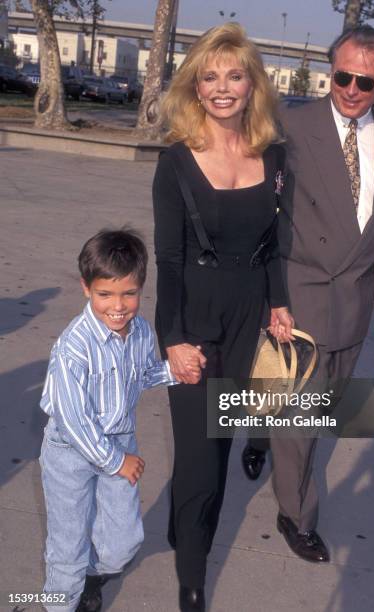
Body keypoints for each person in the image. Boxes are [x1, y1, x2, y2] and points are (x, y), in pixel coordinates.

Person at [242, 25, 374, 563]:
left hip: (358, 295)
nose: (351, 89)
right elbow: (258, 211)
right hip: (300, 292)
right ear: (329, 71)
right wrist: (267, 292)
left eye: (365, 80)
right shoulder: (292, 126)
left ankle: (257, 431)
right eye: (342, 76)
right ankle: (296, 514)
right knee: (300, 419)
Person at [153, 22, 293, 612]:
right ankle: (192, 575)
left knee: (222, 440)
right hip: (195, 317)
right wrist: (172, 339)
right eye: (209, 76)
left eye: (234, 75)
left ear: (252, 84)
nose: (222, 87)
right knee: (201, 465)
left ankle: (185, 528)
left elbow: (278, 241)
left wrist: (280, 303)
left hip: (249, 319)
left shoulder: (276, 154)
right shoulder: (176, 162)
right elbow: (169, 258)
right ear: (194, 86)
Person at [39, 229, 188, 612]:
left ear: (141, 288)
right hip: (69, 453)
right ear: (86, 288)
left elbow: (141, 376)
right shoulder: (73, 347)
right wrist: (116, 461)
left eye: (129, 293)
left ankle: (92, 574)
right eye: (106, 294)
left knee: (122, 545)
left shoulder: (139, 331)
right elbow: (72, 420)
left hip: (120, 441)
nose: (118, 306)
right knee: (67, 546)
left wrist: (176, 372)